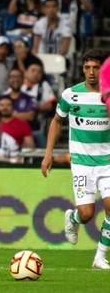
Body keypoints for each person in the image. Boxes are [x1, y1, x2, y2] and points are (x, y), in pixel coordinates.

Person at [41, 49, 110, 270]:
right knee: (87, 214)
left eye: (96, 67)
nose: (91, 72)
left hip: (107, 162)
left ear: (103, 69)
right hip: (82, 163)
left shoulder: (108, 96)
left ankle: (100, 257)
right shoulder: (71, 95)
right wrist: (48, 154)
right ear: (82, 68)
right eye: (87, 67)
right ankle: (73, 218)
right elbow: (56, 121)